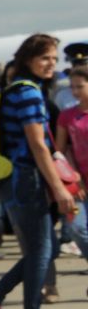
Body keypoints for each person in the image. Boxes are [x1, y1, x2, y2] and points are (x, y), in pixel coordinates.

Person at [0, 35, 77, 309]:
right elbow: (38, 145)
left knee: (44, 249)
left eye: (54, 58)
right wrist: (58, 189)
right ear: (29, 59)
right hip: (27, 180)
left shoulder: (16, 89)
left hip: (19, 180)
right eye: (45, 57)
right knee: (41, 249)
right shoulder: (28, 94)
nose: (52, 64)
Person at [55, 65, 88, 268]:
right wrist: (74, 174)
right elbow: (60, 150)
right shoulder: (66, 116)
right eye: (72, 88)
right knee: (77, 227)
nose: (75, 92)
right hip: (78, 183)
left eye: (80, 86)